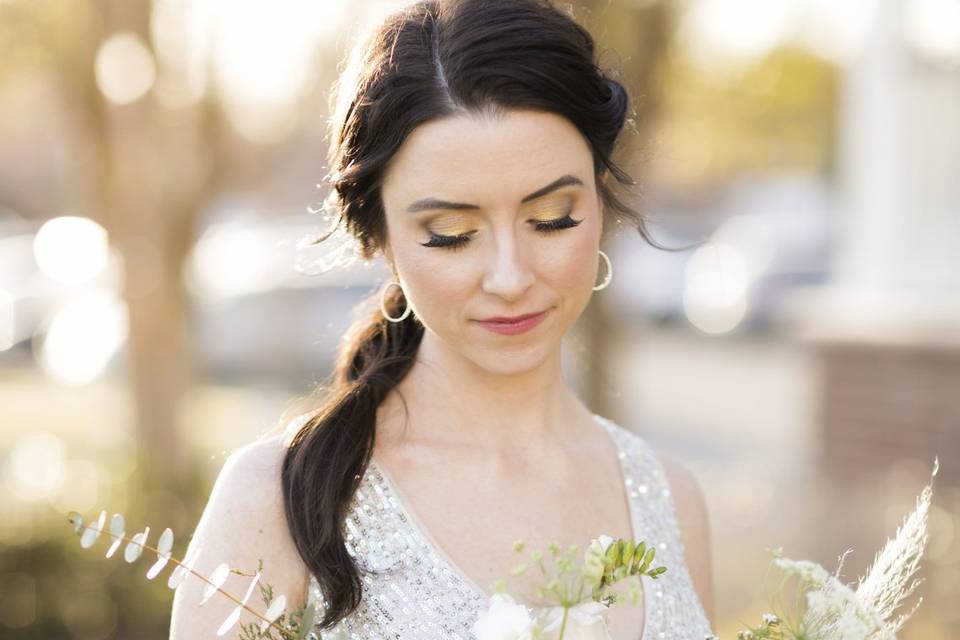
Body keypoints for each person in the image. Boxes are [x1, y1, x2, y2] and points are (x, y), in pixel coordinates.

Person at [169, 1, 716, 638]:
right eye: (452, 234)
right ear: (378, 238)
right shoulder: (277, 504)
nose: (510, 277)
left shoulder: (670, 501)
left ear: (598, 201)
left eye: (552, 219)